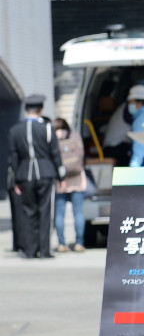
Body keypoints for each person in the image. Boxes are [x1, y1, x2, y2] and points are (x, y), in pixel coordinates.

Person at [7, 95, 65, 259]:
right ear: (40, 109)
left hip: (25, 174)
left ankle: (30, 250)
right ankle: (44, 250)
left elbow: (14, 157)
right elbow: (55, 154)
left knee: (28, 212)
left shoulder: (15, 130)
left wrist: (15, 180)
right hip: (46, 172)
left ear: (27, 109)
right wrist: (62, 177)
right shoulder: (47, 128)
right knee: (45, 211)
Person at [52, 118, 87, 252]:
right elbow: (82, 156)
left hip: (61, 181)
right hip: (77, 179)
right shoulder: (75, 136)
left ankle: (61, 244)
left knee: (59, 214)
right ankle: (79, 243)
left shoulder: (53, 137)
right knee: (78, 212)